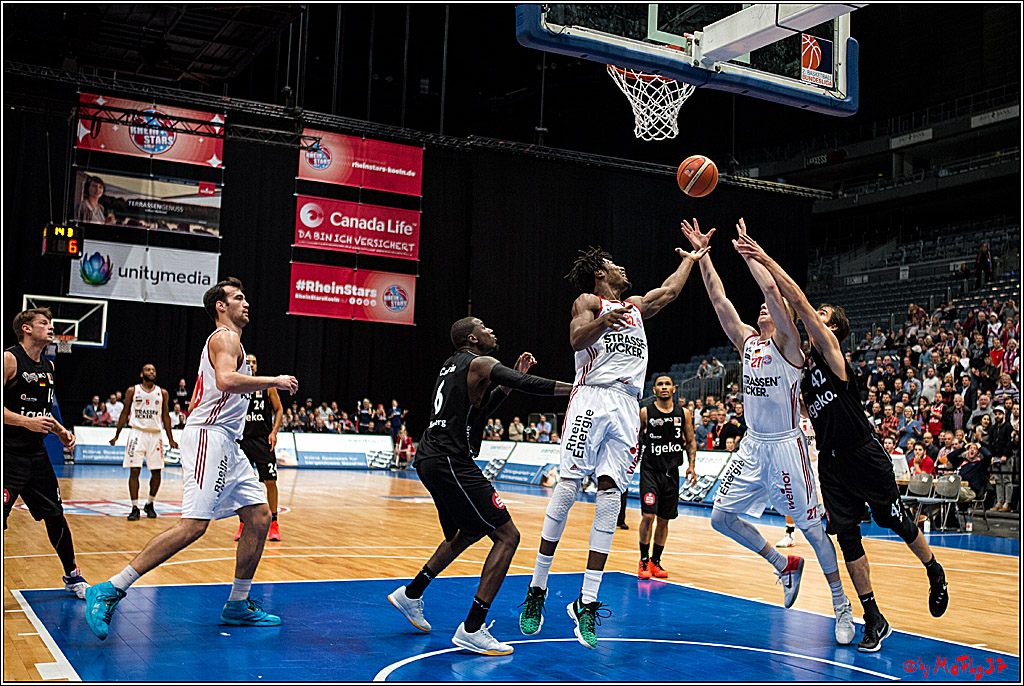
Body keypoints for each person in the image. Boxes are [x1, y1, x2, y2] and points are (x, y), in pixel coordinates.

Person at [735, 228, 949, 653]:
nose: (818, 316)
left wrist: (761, 256)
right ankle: (872, 616)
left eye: (824, 315)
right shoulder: (795, 359)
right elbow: (781, 324)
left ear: (832, 328)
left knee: (896, 520)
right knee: (847, 537)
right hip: (830, 461)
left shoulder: (832, 351)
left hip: (863, 453)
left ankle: (934, 569)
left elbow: (795, 301)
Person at [84, 277, 299, 641]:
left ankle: (237, 604)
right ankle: (110, 588)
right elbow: (227, 380)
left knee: (260, 516)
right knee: (193, 526)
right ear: (221, 306)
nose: (246, 303)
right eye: (238, 298)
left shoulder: (233, 341)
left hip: (228, 442)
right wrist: (273, 380)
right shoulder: (225, 338)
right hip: (208, 437)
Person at [520, 238, 708, 649]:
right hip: (591, 396)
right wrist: (606, 320)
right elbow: (575, 341)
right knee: (568, 489)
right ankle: (537, 589)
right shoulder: (589, 301)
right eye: (615, 265)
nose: (624, 269)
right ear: (601, 274)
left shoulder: (637, 306)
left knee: (611, 495)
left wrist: (693, 260)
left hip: (626, 405)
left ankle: (587, 601)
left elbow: (671, 291)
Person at [681, 218, 854, 644]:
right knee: (720, 516)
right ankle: (782, 564)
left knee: (813, 530)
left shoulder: (792, 347)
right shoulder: (748, 343)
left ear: (785, 320)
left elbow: (774, 293)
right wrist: (704, 259)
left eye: (767, 309)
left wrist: (752, 256)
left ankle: (841, 606)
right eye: (757, 307)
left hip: (786, 447)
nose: (760, 308)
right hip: (753, 446)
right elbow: (721, 301)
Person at [387, 317, 571, 655]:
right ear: (472, 338)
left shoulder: (451, 366)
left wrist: (507, 385)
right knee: (508, 535)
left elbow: (477, 412)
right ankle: (473, 627)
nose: (492, 330)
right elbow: (529, 383)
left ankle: (411, 593)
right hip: (449, 459)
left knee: (469, 531)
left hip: (430, 457)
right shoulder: (480, 361)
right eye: (485, 327)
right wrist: (577, 389)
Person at [4, 308, 87, 598]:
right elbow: (27, 416)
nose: (51, 327)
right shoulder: (10, 359)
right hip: (7, 455)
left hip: (36, 456)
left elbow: (43, 413)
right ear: (26, 329)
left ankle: (73, 576)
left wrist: (61, 432)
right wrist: (26, 422)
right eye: (44, 323)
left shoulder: (48, 368)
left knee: (55, 515)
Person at [637, 376, 696, 579]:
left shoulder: (684, 414)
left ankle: (656, 562)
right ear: (654, 390)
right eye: (660, 384)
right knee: (648, 516)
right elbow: (636, 439)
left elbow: (690, 440)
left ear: (674, 388)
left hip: (672, 473)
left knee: (664, 520)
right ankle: (643, 560)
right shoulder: (645, 412)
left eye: (667, 384)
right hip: (650, 471)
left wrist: (692, 466)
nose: (664, 387)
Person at [108, 364, 179, 521]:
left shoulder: (163, 393)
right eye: (148, 370)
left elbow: (166, 416)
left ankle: (150, 503)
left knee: (157, 472)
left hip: (155, 435)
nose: (151, 372)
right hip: (137, 433)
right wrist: (117, 435)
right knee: (134, 471)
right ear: (141, 374)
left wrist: (171, 438)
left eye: (154, 370)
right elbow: (124, 412)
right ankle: (134, 507)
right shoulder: (132, 391)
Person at [234, 354, 285, 543]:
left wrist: (274, 432)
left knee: (270, 481)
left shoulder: (267, 385)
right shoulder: (237, 386)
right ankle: (242, 523)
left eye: (254, 362)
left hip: (263, 440)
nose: (251, 365)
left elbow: (279, 409)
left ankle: (274, 523)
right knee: (241, 484)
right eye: (247, 362)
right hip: (243, 440)